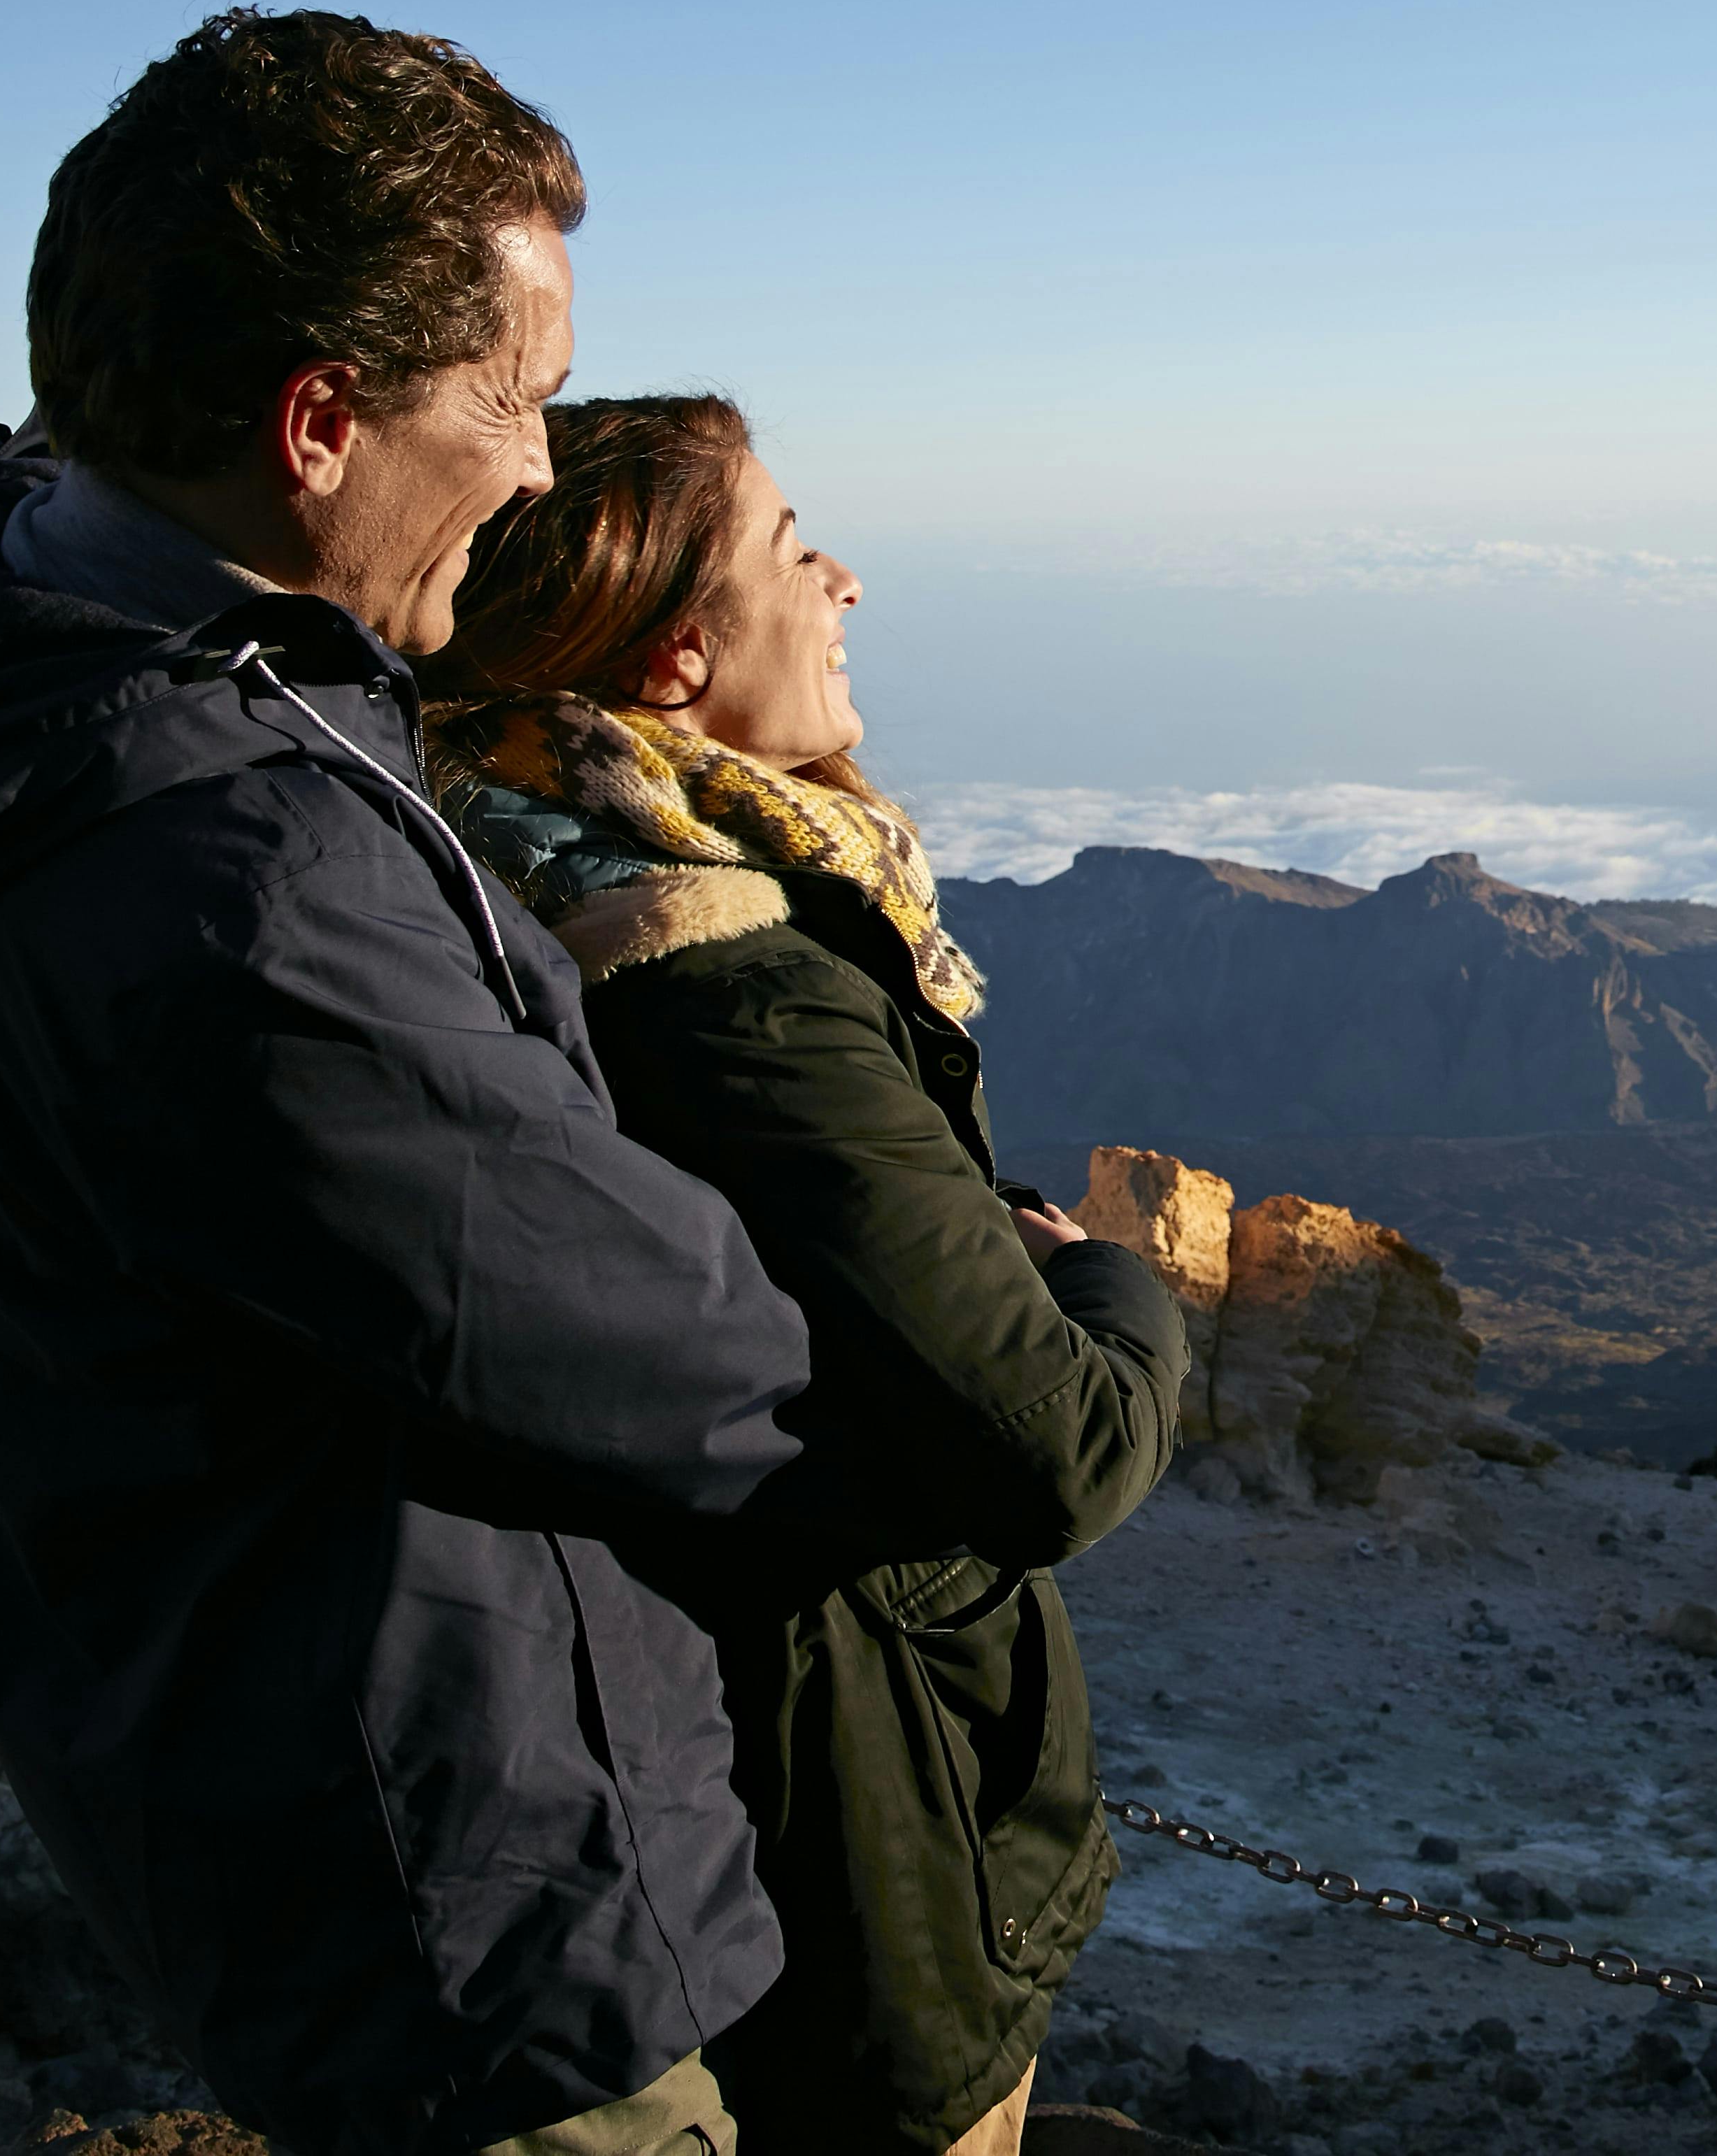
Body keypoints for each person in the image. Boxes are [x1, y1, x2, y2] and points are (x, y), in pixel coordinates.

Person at [0, 12, 817, 2156]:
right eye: (522, 403)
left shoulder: (26, 687)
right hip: (465, 1913)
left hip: (295, 1835)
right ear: (318, 421)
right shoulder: (222, 862)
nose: (548, 473)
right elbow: (671, 1356)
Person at [422, 394, 1187, 2156]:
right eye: (790, 548)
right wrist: (1114, 1286)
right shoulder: (723, 980)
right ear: (678, 661)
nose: (844, 578)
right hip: (853, 1824)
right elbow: (1050, 1450)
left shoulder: (483, 869)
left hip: (688, 1792)